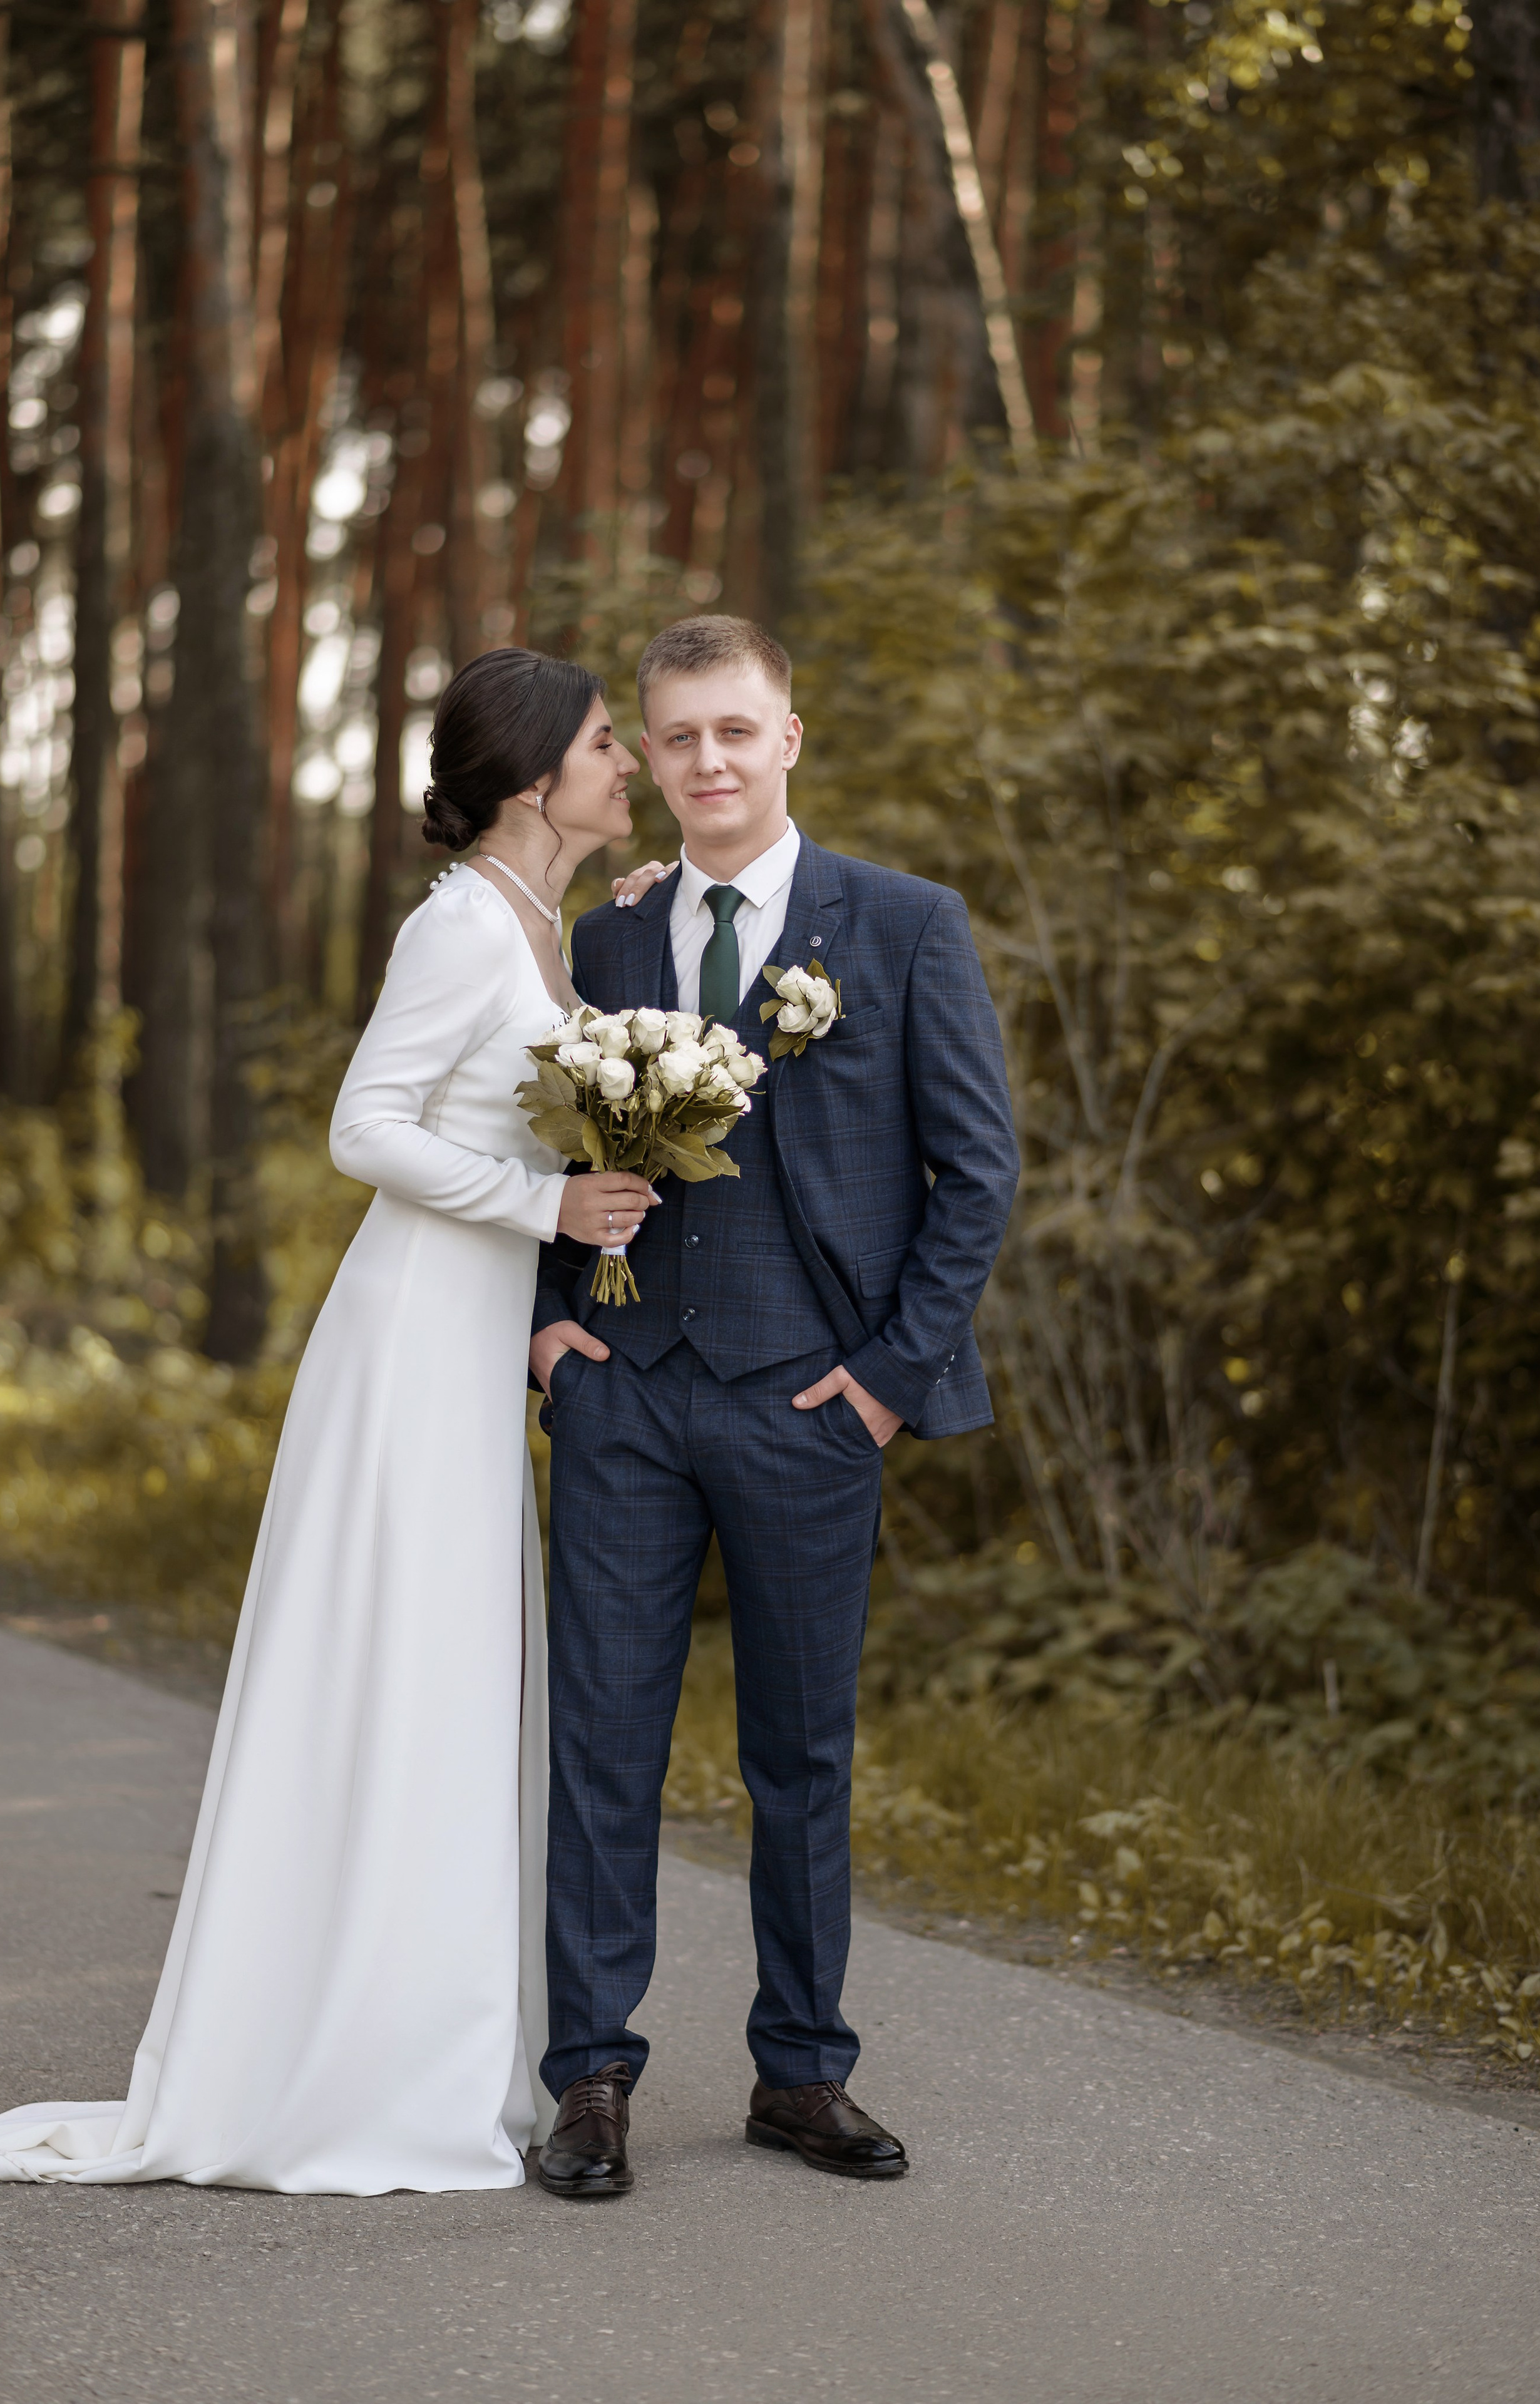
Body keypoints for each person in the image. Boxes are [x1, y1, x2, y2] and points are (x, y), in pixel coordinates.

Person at [0, 649, 669, 2195]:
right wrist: (543, 1206)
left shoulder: (544, 921)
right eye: (606, 744)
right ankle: (351, 2060)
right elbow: (366, 1126)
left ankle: (422, 2035)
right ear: (534, 775)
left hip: (477, 1337)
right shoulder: (459, 926)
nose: (627, 764)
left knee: (454, 1681)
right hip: (413, 1337)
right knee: (403, 1668)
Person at [530, 614, 1020, 2199]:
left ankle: (800, 2072)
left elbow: (976, 1174)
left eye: (734, 730)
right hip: (623, 1400)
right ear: (649, 753)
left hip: (810, 1407)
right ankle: (589, 2077)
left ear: (787, 739)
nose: (708, 762)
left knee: (799, 1756)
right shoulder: (607, 939)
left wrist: (880, 1385)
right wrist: (545, 1337)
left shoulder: (905, 924)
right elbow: (536, 1150)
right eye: (676, 737)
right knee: (601, 1745)